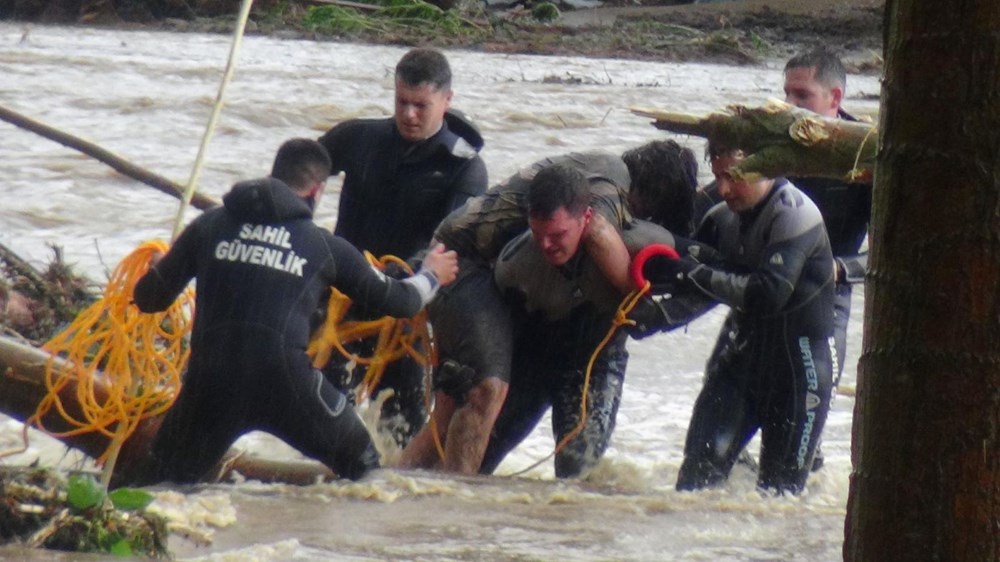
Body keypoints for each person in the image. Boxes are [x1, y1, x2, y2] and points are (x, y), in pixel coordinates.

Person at [130, 138, 458, 485]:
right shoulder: (320, 245)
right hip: (284, 383)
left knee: (160, 484)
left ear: (273, 174)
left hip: (210, 382)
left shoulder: (208, 226)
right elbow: (399, 301)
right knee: (366, 471)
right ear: (317, 190)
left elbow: (148, 298)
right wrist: (432, 275)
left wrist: (160, 267)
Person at [398, 140, 701, 475]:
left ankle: (403, 485)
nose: (642, 222)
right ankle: (451, 502)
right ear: (649, 194)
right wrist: (639, 303)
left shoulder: (591, 179)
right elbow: (598, 233)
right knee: (487, 389)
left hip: (499, 283)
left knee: (455, 411)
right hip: (461, 262)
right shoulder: (610, 180)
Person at [479, 163, 714, 478]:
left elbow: (717, 279)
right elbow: (492, 326)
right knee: (479, 460)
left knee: (577, 472)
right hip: (531, 360)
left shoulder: (639, 242)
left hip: (597, 362)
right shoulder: (514, 266)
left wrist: (662, 316)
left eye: (559, 234)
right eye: (540, 235)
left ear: (587, 220)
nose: (548, 245)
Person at [316, 47, 488, 446]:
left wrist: (403, 274)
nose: (409, 115)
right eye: (401, 102)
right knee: (320, 418)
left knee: (400, 434)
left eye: (421, 106)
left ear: (447, 101)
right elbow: (299, 173)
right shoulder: (357, 137)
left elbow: (450, 242)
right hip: (342, 299)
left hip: (408, 312)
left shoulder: (464, 167)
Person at [657, 141, 835, 495]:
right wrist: (645, 315)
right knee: (693, 487)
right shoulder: (720, 217)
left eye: (734, 177)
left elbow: (768, 293)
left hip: (799, 377)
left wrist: (693, 272)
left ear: (767, 167)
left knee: (778, 502)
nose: (723, 190)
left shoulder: (796, 213)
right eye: (718, 176)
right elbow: (688, 284)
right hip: (740, 367)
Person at [783, 47, 870, 471]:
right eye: (786, 95)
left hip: (829, 295)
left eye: (803, 97)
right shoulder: (773, 141)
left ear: (834, 98)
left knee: (805, 423)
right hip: (771, 289)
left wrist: (841, 269)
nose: (791, 108)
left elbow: (888, 255)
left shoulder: (869, 156)